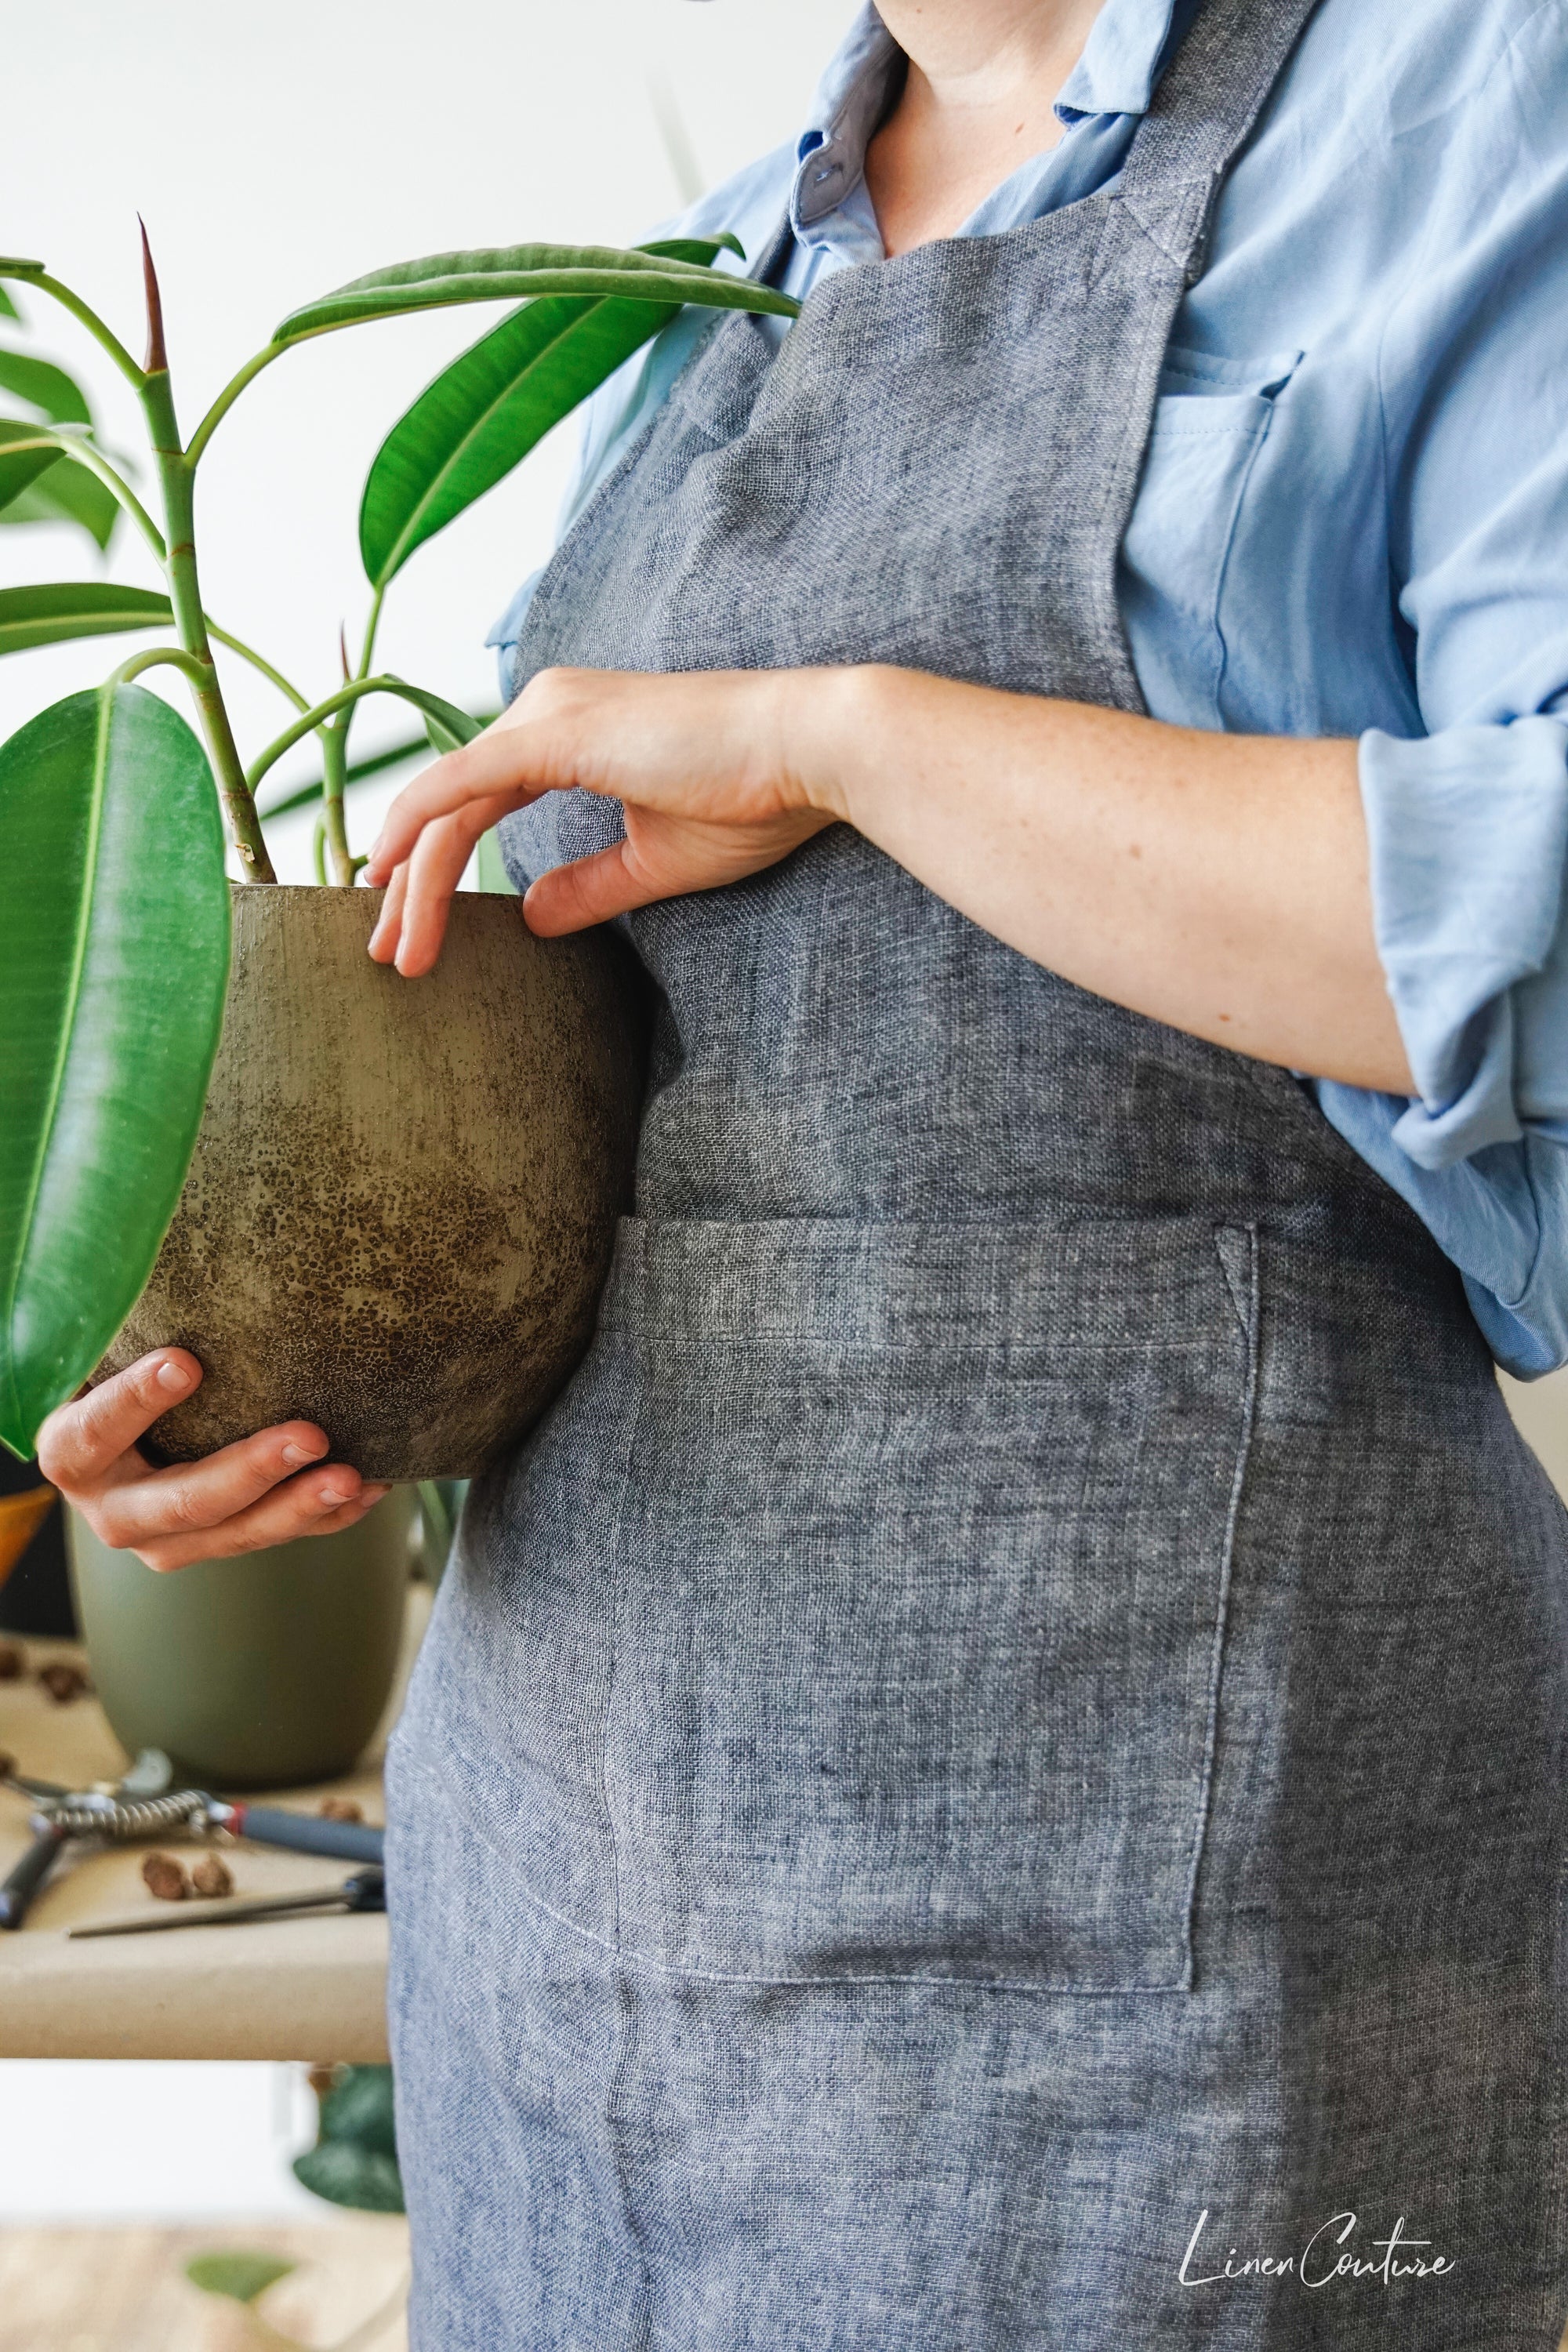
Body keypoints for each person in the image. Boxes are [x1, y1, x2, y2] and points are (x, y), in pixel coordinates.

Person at [38, 0, 1568, 2340]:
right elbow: (580, 1055)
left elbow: (1531, 927)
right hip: (571, 1934)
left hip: (1155, 1980)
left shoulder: (1471, 95)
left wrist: (852, 739)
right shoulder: (696, 280)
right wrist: (256, 1384)